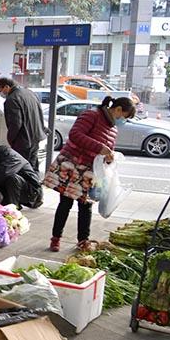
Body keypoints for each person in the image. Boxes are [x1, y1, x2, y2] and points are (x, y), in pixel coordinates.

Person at [44, 96, 136, 252]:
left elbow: (105, 153)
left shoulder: (113, 129)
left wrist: (108, 158)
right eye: (123, 116)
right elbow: (75, 135)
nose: (122, 120)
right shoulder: (92, 115)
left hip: (90, 172)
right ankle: (55, 239)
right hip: (72, 166)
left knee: (86, 206)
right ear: (118, 109)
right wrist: (100, 148)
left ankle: (83, 241)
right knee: (65, 203)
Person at [0, 140, 43, 209]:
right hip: (16, 189)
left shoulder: (7, 153)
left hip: (31, 191)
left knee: (11, 177)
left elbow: (5, 171)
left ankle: (14, 207)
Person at [0, 77, 46, 171]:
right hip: (35, 137)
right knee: (33, 166)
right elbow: (39, 113)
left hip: (23, 140)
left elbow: (15, 123)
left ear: (7, 87)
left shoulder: (11, 99)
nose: (1, 93)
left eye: (0, 89)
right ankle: (34, 185)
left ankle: (26, 185)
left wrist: (11, 140)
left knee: (22, 168)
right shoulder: (29, 93)